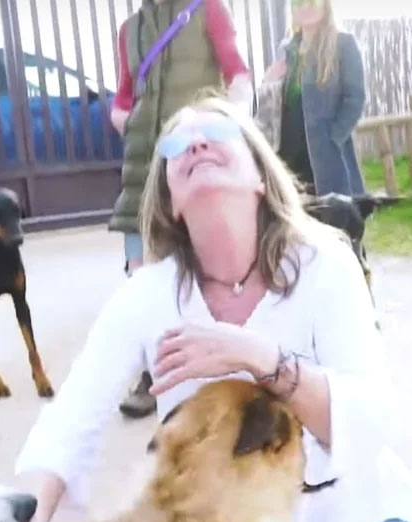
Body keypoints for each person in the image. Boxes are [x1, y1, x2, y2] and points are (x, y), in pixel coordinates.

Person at [0, 95, 412, 522]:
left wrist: (260, 358)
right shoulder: (148, 295)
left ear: (260, 177)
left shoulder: (326, 264)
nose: (196, 143)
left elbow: (370, 418)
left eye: (218, 133)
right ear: (172, 201)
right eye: (176, 145)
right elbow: (69, 420)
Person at [109, 0, 255, 420]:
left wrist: (225, 134)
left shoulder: (207, 9)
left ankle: (224, 367)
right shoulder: (130, 30)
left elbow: (237, 75)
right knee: (143, 276)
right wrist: (125, 119)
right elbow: (124, 94)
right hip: (142, 172)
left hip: (192, 163)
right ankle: (154, 373)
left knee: (201, 271)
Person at [263, 0, 367, 196]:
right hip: (289, 152)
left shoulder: (343, 44)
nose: (305, 6)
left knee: (334, 209)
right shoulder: (287, 49)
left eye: (312, 1)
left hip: (325, 154)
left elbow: (355, 98)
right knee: (294, 210)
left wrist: (334, 138)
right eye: (299, 2)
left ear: (325, 5)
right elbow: (273, 105)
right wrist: (269, 82)